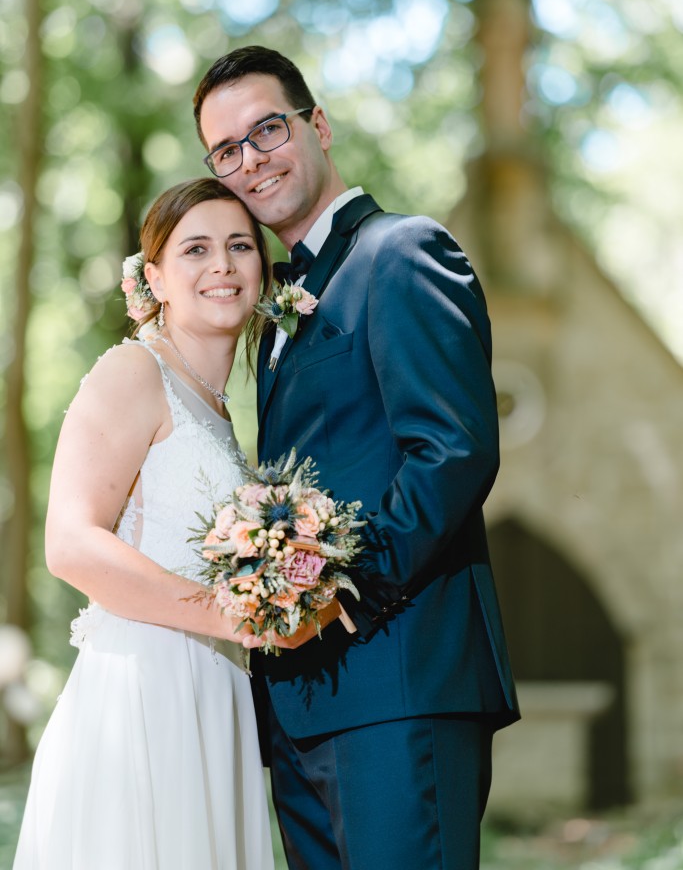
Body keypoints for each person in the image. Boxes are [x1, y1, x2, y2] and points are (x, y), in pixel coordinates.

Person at [192, 46, 521, 870]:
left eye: (266, 130)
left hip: (401, 683)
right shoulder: (273, 315)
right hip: (302, 707)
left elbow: (451, 452)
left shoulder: (402, 253)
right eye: (225, 151)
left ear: (318, 125)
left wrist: (334, 590)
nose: (250, 162)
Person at [13, 179, 275, 870]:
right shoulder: (133, 371)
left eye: (239, 246)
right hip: (143, 696)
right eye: (196, 249)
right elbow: (70, 544)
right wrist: (229, 615)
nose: (221, 265)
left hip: (216, 693)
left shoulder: (218, 406)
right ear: (153, 276)